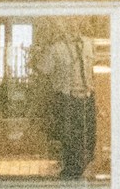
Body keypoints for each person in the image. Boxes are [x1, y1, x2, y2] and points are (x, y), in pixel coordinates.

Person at [39, 24, 98, 179]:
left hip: (86, 97)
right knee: (69, 140)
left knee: (88, 140)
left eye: (77, 22)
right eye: (69, 23)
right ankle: (70, 175)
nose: (73, 27)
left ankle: (79, 172)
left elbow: (91, 69)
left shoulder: (88, 44)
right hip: (67, 100)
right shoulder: (55, 48)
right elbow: (43, 70)